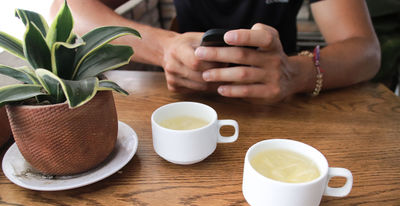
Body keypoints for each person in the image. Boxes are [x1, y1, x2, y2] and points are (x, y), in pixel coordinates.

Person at [50, 0, 381, 103]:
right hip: (189, 101)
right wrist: (164, 48)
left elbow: (365, 49)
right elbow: (66, 13)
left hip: (284, 105)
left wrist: (293, 73)